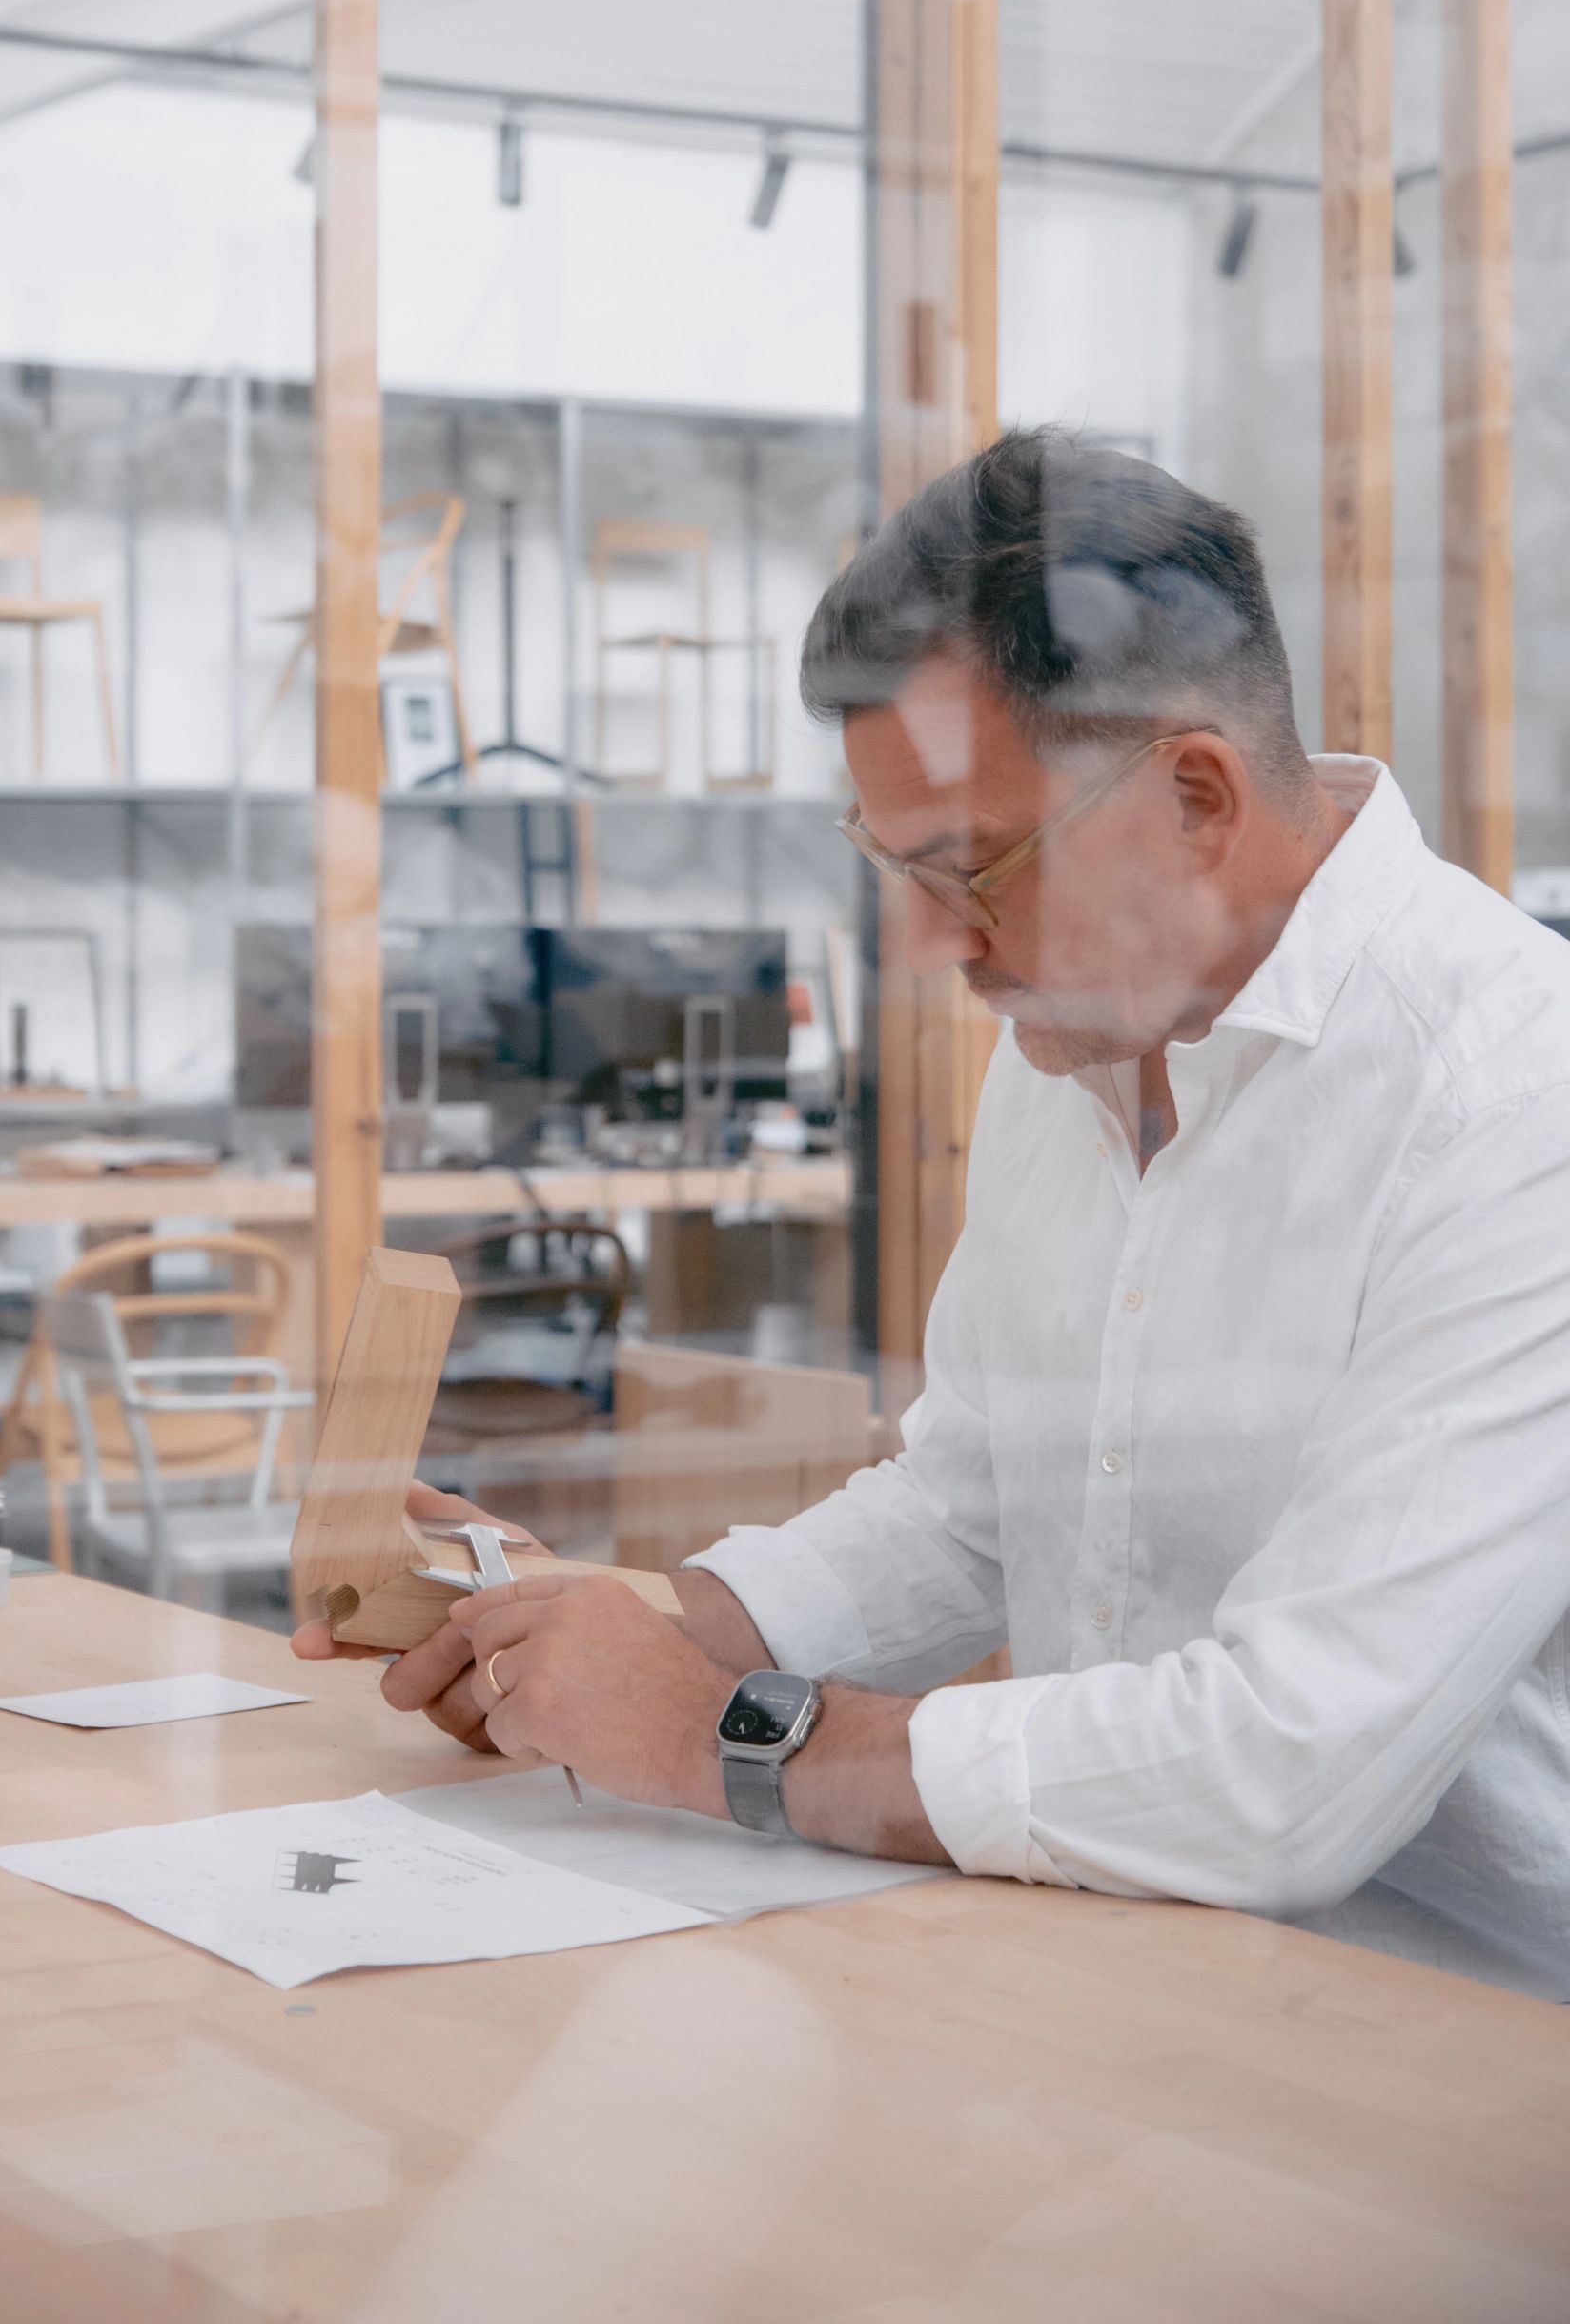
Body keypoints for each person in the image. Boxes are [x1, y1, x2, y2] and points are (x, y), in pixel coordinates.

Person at [296, 428, 1570, 1999]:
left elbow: (1281, 1775)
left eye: (974, 867)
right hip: (1113, 1985)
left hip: (1463, 2076)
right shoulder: (1087, 1035)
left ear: (1197, 794)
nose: (924, 944)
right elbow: (975, 1502)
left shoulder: (1520, 1101)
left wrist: (718, 1734)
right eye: (891, 868)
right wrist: (609, 1627)